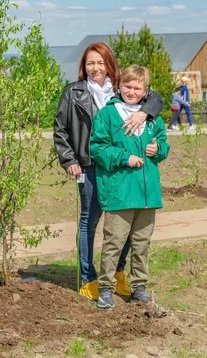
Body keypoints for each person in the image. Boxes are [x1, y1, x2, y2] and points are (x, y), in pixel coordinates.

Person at [53, 42, 164, 300]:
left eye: (100, 62)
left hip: (119, 171)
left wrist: (144, 114)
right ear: (84, 66)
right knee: (88, 223)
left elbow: (155, 97)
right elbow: (60, 129)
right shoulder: (73, 92)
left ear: (109, 64)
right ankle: (89, 277)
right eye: (90, 63)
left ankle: (119, 273)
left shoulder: (122, 87)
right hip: (89, 165)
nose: (95, 68)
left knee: (123, 224)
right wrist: (69, 159)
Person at [89, 65, 170, 309]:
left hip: (148, 193)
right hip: (120, 192)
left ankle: (139, 287)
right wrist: (125, 158)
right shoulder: (108, 115)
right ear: (119, 86)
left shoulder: (153, 118)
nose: (131, 92)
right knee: (114, 242)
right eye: (127, 86)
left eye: (137, 87)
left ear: (145, 91)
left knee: (142, 243)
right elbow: (97, 148)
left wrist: (158, 151)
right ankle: (105, 288)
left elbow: (164, 146)